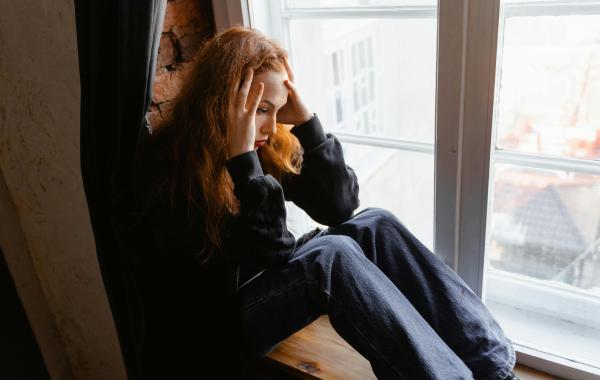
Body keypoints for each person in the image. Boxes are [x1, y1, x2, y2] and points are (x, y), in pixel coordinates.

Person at [123, 26, 518, 379]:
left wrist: (307, 123)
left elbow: (339, 207)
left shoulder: (263, 144)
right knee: (331, 256)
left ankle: (493, 368)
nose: (268, 124)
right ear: (220, 101)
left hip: (256, 290)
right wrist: (242, 162)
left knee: (373, 223)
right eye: (260, 109)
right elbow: (271, 253)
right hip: (215, 333)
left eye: (276, 109)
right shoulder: (170, 170)